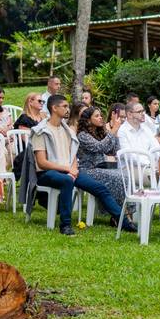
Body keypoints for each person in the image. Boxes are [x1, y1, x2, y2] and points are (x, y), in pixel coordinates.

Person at [30, 95, 134, 236]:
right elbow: (42, 162)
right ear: (54, 108)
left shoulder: (66, 130)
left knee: (100, 188)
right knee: (67, 181)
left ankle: (123, 222)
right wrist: (68, 170)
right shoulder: (40, 131)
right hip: (47, 173)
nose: (68, 109)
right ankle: (65, 225)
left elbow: (72, 154)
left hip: (69, 170)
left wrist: (73, 169)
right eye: (65, 106)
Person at [76, 106, 130, 217]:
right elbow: (99, 147)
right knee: (118, 178)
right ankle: (120, 215)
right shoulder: (82, 135)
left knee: (125, 176)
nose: (101, 118)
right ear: (88, 120)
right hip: (87, 170)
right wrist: (113, 130)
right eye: (97, 116)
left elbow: (113, 151)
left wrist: (115, 133)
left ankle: (124, 213)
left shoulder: (99, 133)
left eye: (101, 115)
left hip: (101, 168)